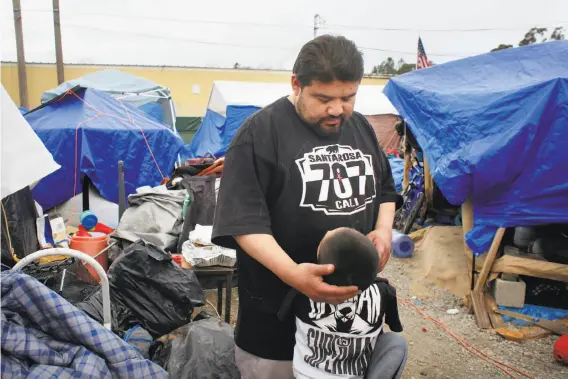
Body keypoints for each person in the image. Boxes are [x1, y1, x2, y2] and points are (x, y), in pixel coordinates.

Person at [212, 34, 403, 379]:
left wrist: (383, 230)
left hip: (348, 329)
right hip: (275, 323)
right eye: (324, 98)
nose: (337, 109)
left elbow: (386, 190)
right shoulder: (259, 134)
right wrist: (293, 275)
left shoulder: (358, 126)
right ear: (297, 85)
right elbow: (244, 224)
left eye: (348, 97)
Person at [293, 227, 406, 379]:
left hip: (304, 375)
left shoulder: (305, 290)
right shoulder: (383, 290)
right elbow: (395, 326)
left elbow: (284, 317)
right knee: (396, 343)